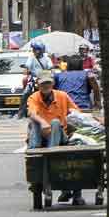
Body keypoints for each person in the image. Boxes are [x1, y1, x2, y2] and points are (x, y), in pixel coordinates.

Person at [25, 73, 83, 202]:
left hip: (60, 134)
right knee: (34, 122)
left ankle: (52, 153)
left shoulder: (62, 95)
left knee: (56, 123)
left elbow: (75, 112)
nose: (46, 86)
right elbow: (32, 113)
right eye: (42, 84)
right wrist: (43, 123)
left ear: (52, 84)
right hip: (42, 135)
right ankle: (34, 152)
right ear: (38, 85)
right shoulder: (34, 97)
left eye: (48, 83)